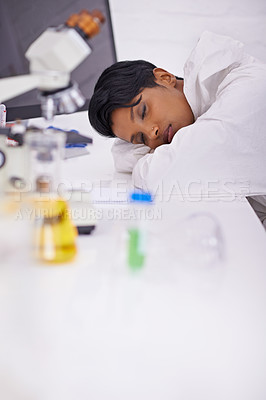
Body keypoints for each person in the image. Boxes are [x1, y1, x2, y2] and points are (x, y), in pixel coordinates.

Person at [89, 31, 266, 206]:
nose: (152, 134)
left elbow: (158, 178)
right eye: (141, 138)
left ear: (165, 78)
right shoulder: (200, 110)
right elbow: (121, 155)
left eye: (143, 112)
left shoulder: (246, 88)